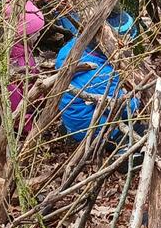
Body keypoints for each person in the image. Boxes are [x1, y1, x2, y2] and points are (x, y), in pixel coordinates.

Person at [56, 11, 140, 148]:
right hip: (92, 129)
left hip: (73, 116)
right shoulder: (101, 73)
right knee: (140, 130)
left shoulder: (72, 48)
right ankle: (119, 149)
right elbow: (124, 108)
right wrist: (137, 100)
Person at [0, 0, 45, 133]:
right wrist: (28, 123)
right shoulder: (8, 60)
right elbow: (14, 100)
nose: (39, 34)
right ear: (22, 33)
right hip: (15, 118)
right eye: (36, 32)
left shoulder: (20, 47)